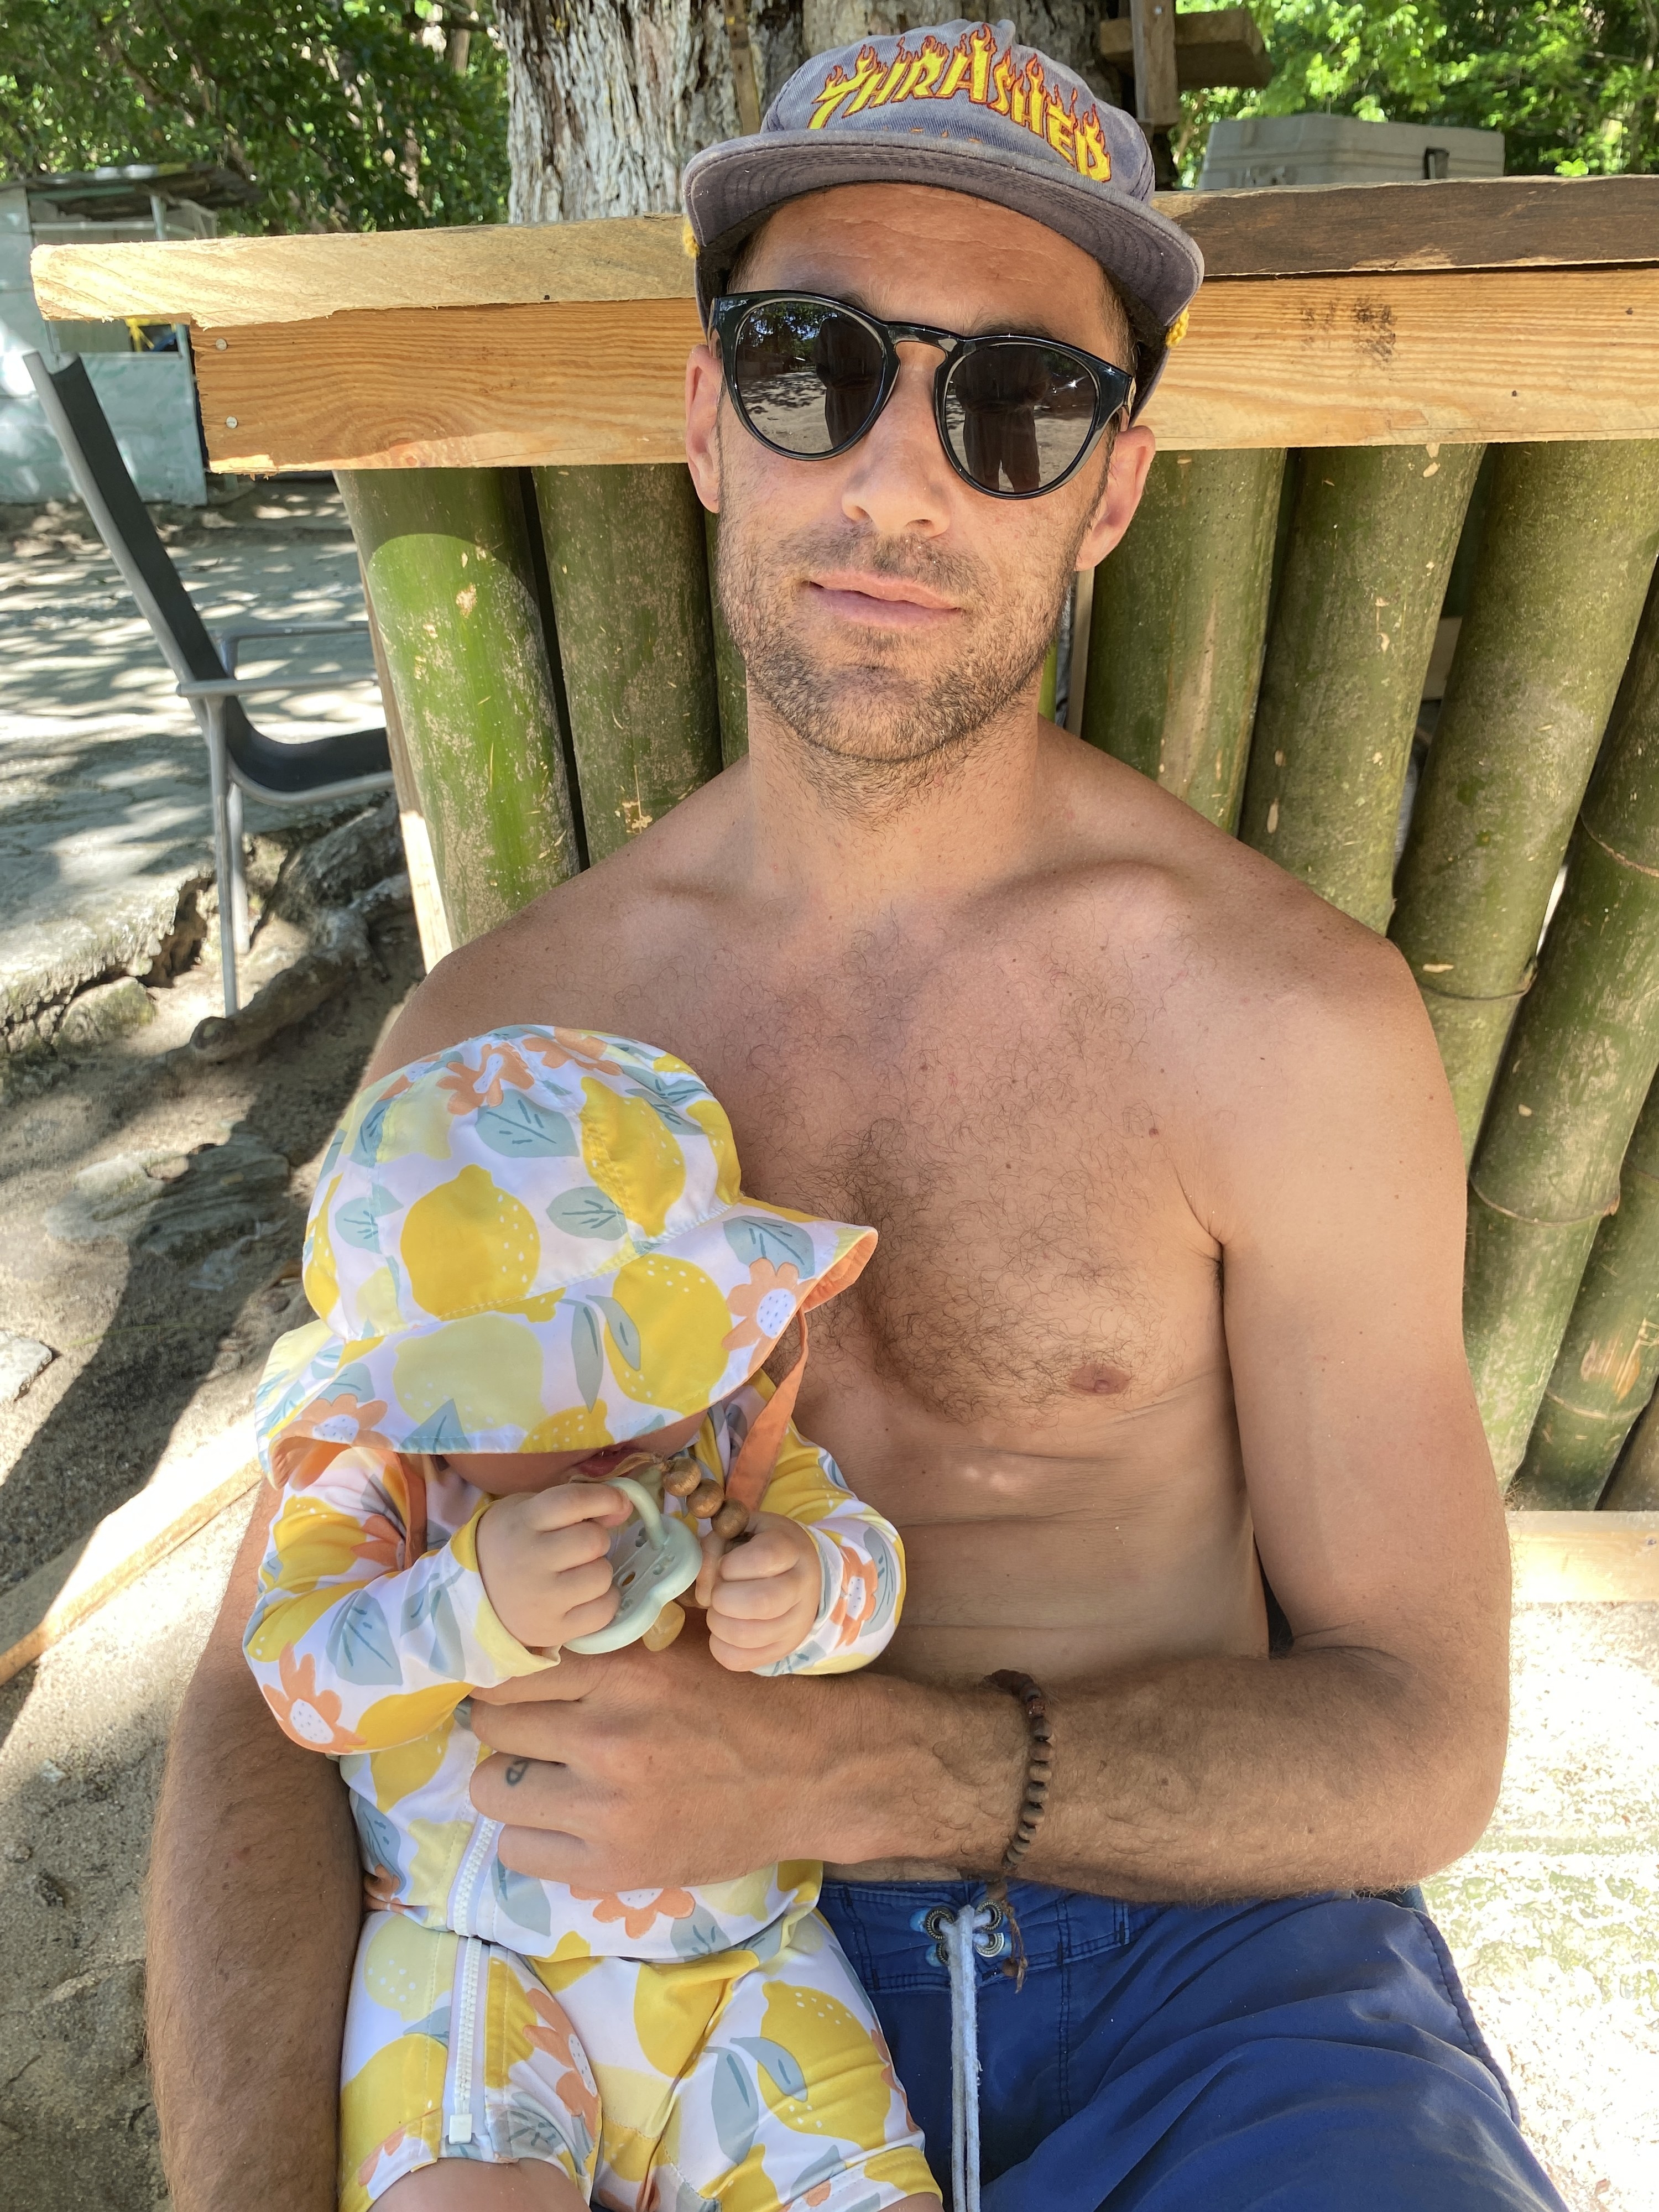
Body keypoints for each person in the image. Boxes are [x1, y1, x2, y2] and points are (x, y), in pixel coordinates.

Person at [148, 19, 1563, 2211]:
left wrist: (824, 1760)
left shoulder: (1286, 1023)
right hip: (579, 1975)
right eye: (818, 366)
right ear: (713, 422)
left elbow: (1416, 1734)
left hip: (1204, 1971)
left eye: (1013, 402)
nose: (899, 477)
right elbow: (265, 1692)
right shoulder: (499, 1038)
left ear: (1110, 490)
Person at [244, 1026, 936, 2211]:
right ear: (415, 1392)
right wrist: (471, 1602)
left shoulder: (724, 1440)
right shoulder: (386, 1479)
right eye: (539, 1403)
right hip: (477, 1962)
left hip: (744, 1965)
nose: (608, 1429)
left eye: (639, 1373)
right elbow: (301, 1675)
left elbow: (870, 1562)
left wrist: (809, 1589)